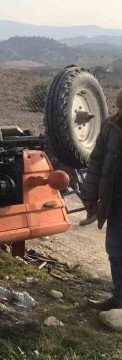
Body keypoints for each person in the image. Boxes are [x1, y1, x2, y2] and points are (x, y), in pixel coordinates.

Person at [84, 90, 122, 312]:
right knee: (116, 251)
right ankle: (119, 299)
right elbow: (96, 162)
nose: (120, 113)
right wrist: (90, 195)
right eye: (118, 108)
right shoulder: (111, 126)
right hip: (116, 202)